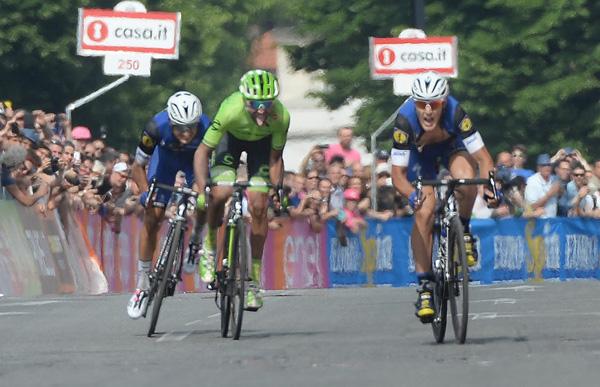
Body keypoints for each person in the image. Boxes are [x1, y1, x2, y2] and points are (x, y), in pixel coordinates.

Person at [389, 71, 498, 323]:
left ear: (444, 102)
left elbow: (484, 158)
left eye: (434, 104)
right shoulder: (404, 123)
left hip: (451, 148)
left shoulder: (457, 113)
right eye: (421, 104)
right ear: (413, 103)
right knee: (424, 211)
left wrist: (491, 188)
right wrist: (412, 195)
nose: (427, 111)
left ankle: (465, 229)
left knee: (467, 178)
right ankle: (425, 286)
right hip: (419, 157)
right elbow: (397, 175)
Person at [194, 69, 290, 311]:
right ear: (245, 99)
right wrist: (202, 186)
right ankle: (209, 246)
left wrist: (275, 189)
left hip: (261, 148)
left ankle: (253, 282)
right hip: (230, 142)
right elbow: (203, 151)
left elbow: (276, 158)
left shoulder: (281, 116)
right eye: (255, 103)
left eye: (267, 103)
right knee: (221, 194)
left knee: (259, 206)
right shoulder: (230, 109)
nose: (261, 109)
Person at [127, 91, 211, 319]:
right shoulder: (155, 126)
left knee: (206, 201)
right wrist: (146, 194)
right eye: (180, 128)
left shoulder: (208, 127)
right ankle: (143, 282)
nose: (186, 133)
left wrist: (200, 191)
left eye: (191, 127)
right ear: (171, 121)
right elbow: (137, 167)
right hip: (165, 161)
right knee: (152, 216)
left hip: (196, 161)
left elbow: (209, 167)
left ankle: (195, 242)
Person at [524, 153, 560, 218]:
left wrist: (560, 191)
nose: (547, 167)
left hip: (552, 221)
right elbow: (531, 207)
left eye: (549, 165)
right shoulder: (532, 181)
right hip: (537, 221)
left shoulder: (554, 179)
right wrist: (549, 195)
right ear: (538, 168)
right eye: (544, 165)